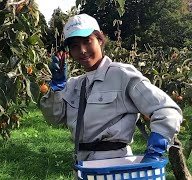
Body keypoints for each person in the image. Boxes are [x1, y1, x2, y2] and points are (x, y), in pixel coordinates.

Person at [40, 13, 182, 167]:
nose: (82, 50)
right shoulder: (75, 84)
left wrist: (155, 150)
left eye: (87, 42)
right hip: (84, 167)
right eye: (75, 46)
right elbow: (53, 118)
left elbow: (167, 111)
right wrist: (57, 87)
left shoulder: (122, 75)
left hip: (115, 166)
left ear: (100, 40)